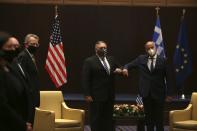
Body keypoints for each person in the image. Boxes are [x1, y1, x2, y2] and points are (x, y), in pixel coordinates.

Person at [123, 41, 169, 131]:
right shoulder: (141, 59)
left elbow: (169, 77)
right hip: (146, 93)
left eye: (152, 47)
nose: (150, 50)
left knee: (159, 118)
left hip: (159, 93)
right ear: (145, 50)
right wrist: (125, 68)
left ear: (155, 48)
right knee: (148, 118)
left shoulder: (163, 60)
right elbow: (129, 64)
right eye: (148, 48)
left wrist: (169, 93)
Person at [82, 41, 122, 131]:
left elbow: (121, 68)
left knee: (108, 119)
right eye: (101, 48)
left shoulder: (111, 59)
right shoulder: (89, 61)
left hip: (109, 95)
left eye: (105, 48)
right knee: (96, 119)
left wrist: (121, 70)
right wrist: (87, 94)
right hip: (96, 95)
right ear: (96, 49)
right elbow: (85, 79)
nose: (104, 49)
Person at [0, 31, 32, 131]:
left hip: (19, 120)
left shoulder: (10, 67)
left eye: (16, 47)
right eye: (9, 47)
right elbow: (2, 105)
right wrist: (21, 124)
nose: (14, 50)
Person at [17, 34, 40, 124]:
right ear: (26, 44)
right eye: (32, 44)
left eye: (36, 44)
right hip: (28, 94)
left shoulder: (31, 56)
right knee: (28, 121)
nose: (35, 46)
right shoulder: (23, 56)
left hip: (34, 93)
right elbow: (22, 76)